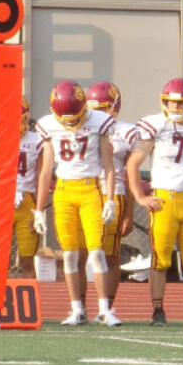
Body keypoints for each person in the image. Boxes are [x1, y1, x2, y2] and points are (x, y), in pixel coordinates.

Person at [127, 78, 183, 329]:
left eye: (182, 104)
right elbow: (133, 163)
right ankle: (157, 311)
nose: (176, 108)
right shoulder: (155, 124)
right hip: (164, 200)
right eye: (171, 103)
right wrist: (141, 197)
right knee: (161, 260)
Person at [33, 80, 119, 327]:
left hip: (90, 189)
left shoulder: (99, 122)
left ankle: (104, 309)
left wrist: (110, 199)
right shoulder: (48, 125)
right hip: (63, 192)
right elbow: (46, 170)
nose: (70, 123)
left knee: (97, 252)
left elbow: (109, 166)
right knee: (70, 255)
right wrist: (39, 208)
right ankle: (77, 309)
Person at [84, 81, 135, 318]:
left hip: (114, 194)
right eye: (92, 108)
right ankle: (81, 306)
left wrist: (129, 213)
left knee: (110, 255)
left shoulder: (127, 131)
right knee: (83, 253)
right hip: (85, 192)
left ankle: (107, 306)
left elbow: (131, 172)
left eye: (102, 108)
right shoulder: (81, 125)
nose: (97, 113)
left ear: (114, 107)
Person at [10, 98, 42, 279]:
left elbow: (40, 178)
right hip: (1, 202)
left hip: (27, 202)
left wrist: (38, 211)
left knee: (27, 260)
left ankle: (29, 304)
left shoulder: (37, 141)